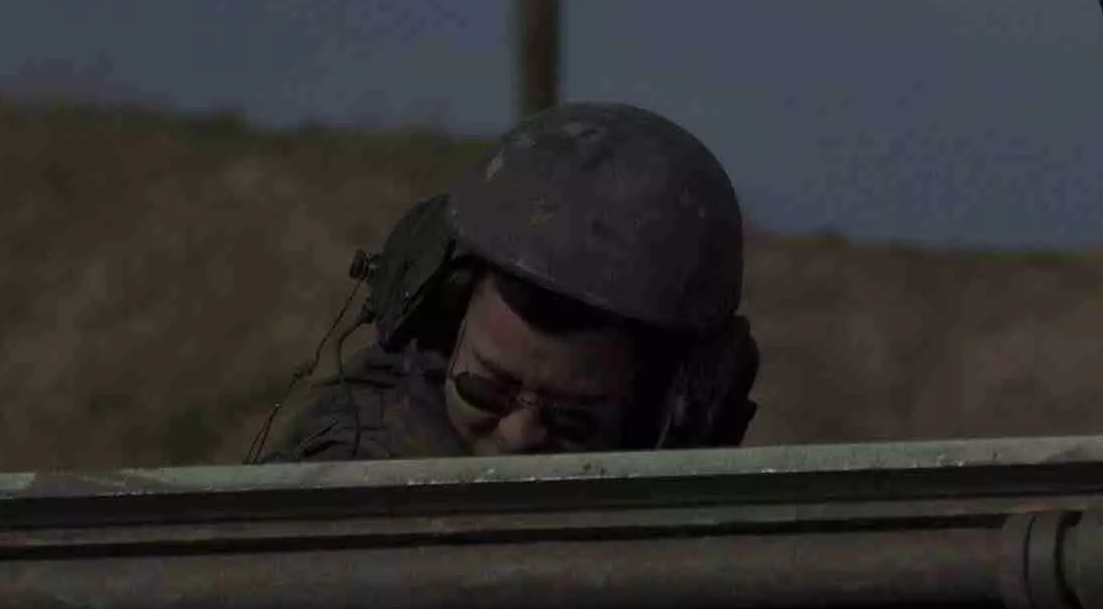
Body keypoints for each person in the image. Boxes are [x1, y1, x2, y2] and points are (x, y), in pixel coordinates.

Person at [254, 101, 761, 463]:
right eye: (484, 391)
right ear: (445, 323)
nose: (519, 436)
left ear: (667, 406)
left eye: (573, 421)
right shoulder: (350, 489)